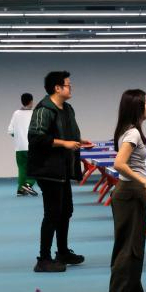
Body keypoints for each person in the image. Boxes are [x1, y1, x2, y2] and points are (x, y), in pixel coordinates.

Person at [27, 71, 94, 273]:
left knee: (66, 211)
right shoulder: (44, 109)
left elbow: (67, 133)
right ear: (57, 88)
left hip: (62, 169)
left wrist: (79, 141)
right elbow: (36, 138)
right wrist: (64, 143)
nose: (71, 88)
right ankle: (43, 259)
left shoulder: (67, 109)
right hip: (47, 169)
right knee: (53, 213)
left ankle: (63, 252)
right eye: (68, 85)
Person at [107, 90, 146, 292]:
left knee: (135, 246)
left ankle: (133, 291)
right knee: (127, 248)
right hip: (128, 193)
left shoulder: (131, 131)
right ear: (136, 107)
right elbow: (119, 164)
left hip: (131, 191)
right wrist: (144, 182)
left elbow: (134, 166)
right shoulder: (133, 134)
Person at [8, 92, 38, 197]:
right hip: (32, 146)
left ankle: (20, 190)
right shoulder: (35, 113)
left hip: (19, 147)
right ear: (31, 101)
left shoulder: (16, 113)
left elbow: (10, 131)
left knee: (21, 168)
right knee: (36, 166)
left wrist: (19, 137)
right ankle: (28, 184)